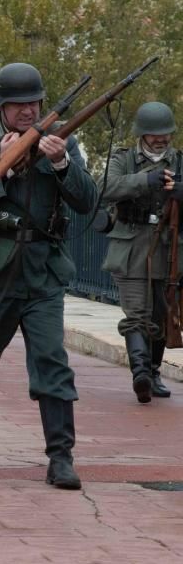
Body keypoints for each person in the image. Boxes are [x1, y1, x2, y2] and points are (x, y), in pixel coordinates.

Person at [0, 63, 98, 490]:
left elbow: (87, 201)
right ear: (2, 107)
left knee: (51, 361)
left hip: (42, 272)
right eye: (19, 105)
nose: (29, 111)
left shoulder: (62, 138)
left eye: (34, 102)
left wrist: (63, 162)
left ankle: (61, 457)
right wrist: (4, 164)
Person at [100, 102, 178, 402]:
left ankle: (154, 371)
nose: (161, 139)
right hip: (130, 246)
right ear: (142, 135)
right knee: (137, 314)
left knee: (160, 314)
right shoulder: (124, 159)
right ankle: (140, 374)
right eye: (154, 134)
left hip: (168, 250)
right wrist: (144, 181)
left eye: (165, 134)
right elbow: (105, 188)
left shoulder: (179, 161)